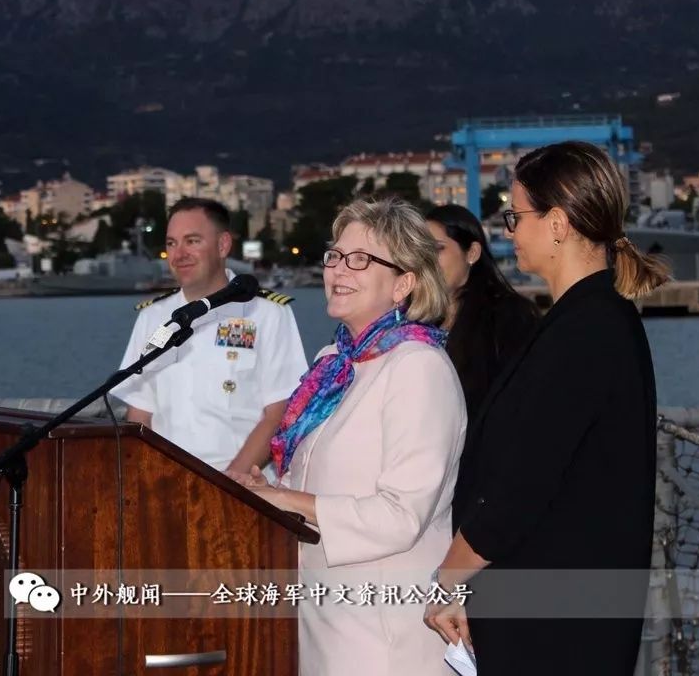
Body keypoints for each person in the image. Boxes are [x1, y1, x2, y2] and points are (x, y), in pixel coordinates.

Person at [425, 142, 671, 676]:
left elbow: (521, 485)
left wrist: (448, 578)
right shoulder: (584, 320)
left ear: (557, 223)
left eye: (515, 215)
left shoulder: (587, 330)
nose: (508, 230)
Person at [240, 196, 466, 675]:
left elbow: (402, 516)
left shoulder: (417, 368)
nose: (339, 270)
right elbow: (320, 481)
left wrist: (293, 502)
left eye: (361, 260)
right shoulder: (333, 364)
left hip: (384, 636)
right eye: (335, 256)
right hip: (321, 619)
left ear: (403, 282)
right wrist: (270, 493)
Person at [111, 197, 308, 473]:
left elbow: (280, 413)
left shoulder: (266, 314)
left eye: (192, 241)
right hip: (167, 486)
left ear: (223, 245)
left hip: (242, 489)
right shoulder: (152, 317)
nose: (178, 255)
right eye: (171, 243)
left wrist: (226, 486)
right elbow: (140, 415)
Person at [425, 204, 539, 420]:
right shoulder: (416, 322)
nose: (426, 260)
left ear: (472, 253)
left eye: (437, 249)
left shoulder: (509, 317)